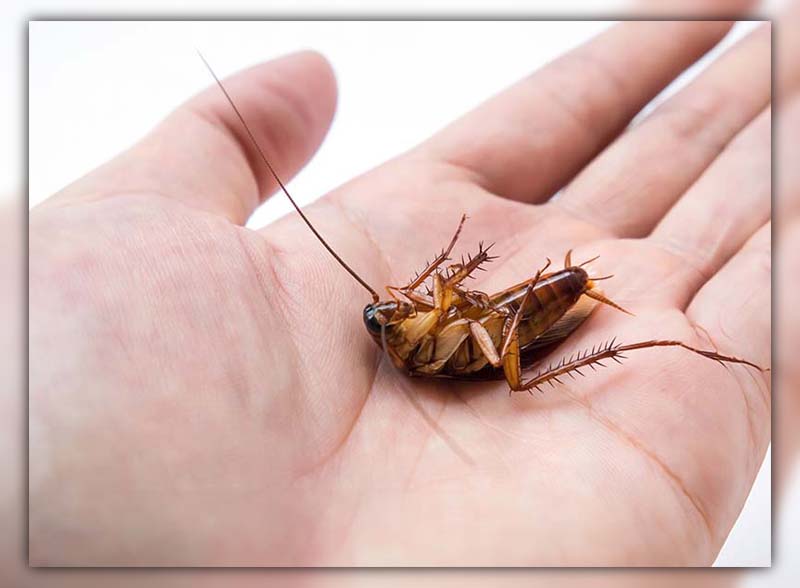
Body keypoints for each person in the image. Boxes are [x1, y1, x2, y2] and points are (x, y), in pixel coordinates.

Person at [29, 20, 774, 566]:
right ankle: (646, 341)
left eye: (393, 309)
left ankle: (614, 319)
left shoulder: (415, 324)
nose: (396, 309)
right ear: (392, 337)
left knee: (481, 308)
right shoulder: (419, 355)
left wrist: (450, 273)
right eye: (390, 316)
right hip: (510, 348)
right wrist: (459, 290)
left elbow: (454, 302)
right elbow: (469, 344)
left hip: (513, 311)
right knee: (500, 349)